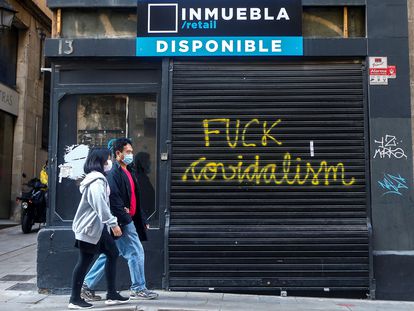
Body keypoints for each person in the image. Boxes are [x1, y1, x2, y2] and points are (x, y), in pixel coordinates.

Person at [82, 138, 158, 301]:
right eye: (128, 152)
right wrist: (122, 220)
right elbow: (114, 199)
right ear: (118, 153)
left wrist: (142, 218)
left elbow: (135, 198)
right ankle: (138, 288)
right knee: (136, 252)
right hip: (122, 221)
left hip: (126, 219)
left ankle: (86, 286)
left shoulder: (129, 171)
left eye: (131, 151)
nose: (131, 154)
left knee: (109, 254)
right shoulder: (114, 173)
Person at [69, 147, 129, 309]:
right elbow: (100, 205)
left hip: (96, 228)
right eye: (108, 159)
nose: (110, 162)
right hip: (89, 228)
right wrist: (113, 224)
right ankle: (74, 299)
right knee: (84, 261)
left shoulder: (97, 178)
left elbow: (102, 203)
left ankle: (111, 294)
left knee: (113, 253)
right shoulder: (96, 180)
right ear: (101, 161)